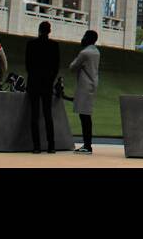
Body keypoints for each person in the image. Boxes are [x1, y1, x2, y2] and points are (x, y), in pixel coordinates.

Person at [26, 20, 60, 153]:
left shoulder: (31, 44)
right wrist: (50, 80)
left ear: (39, 30)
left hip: (34, 82)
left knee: (34, 115)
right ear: (49, 31)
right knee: (47, 115)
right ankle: (51, 146)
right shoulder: (54, 46)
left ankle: (36, 146)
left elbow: (28, 65)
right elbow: (56, 66)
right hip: (47, 84)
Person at [68, 30, 100, 153]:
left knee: (84, 116)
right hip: (92, 84)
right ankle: (87, 144)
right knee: (86, 115)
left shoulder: (85, 53)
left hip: (84, 85)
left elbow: (72, 67)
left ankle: (87, 145)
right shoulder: (96, 52)